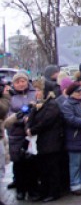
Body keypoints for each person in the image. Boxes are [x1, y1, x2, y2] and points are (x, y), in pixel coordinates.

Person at [5, 71, 38, 201]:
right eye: (17, 82)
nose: (21, 84)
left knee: (32, 164)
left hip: (31, 134)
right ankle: (20, 190)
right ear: (14, 84)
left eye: (23, 81)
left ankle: (33, 190)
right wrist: (21, 120)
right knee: (19, 164)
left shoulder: (34, 93)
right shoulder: (10, 97)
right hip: (16, 135)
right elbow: (7, 116)